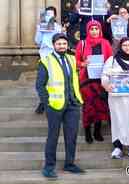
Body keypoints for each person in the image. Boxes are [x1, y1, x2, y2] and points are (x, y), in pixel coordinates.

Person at [36, 33, 85, 178]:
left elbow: (74, 80)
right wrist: (47, 103)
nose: (62, 46)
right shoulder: (45, 61)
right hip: (55, 105)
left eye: (64, 44)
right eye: (59, 44)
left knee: (72, 136)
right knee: (53, 136)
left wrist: (77, 98)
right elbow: (40, 85)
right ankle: (49, 167)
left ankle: (69, 163)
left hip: (72, 104)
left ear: (67, 45)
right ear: (54, 45)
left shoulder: (71, 58)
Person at [75, 20, 113, 144]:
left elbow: (110, 60)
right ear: (88, 30)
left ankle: (97, 131)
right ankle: (87, 131)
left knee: (100, 106)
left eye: (96, 29)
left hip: (100, 80)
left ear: (100, 30)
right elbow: (76, 61)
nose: (94, 31)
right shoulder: (82, 44)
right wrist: (83, 64)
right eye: (92, 29)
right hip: (87, 81)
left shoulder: (106, 43)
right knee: (88, 107)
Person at [34, 6, 63, 114]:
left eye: (52, 14)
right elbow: (37, 41)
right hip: (44, 56)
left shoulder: (58, 27)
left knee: (53, 80)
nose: (50, 16)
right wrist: (40, 30)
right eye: (48, 14)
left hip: (55, 57)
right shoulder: (40, 27)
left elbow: (61, 41)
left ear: (55, 16)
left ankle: (52, 102)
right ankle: (43, 101)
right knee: (41, 82)